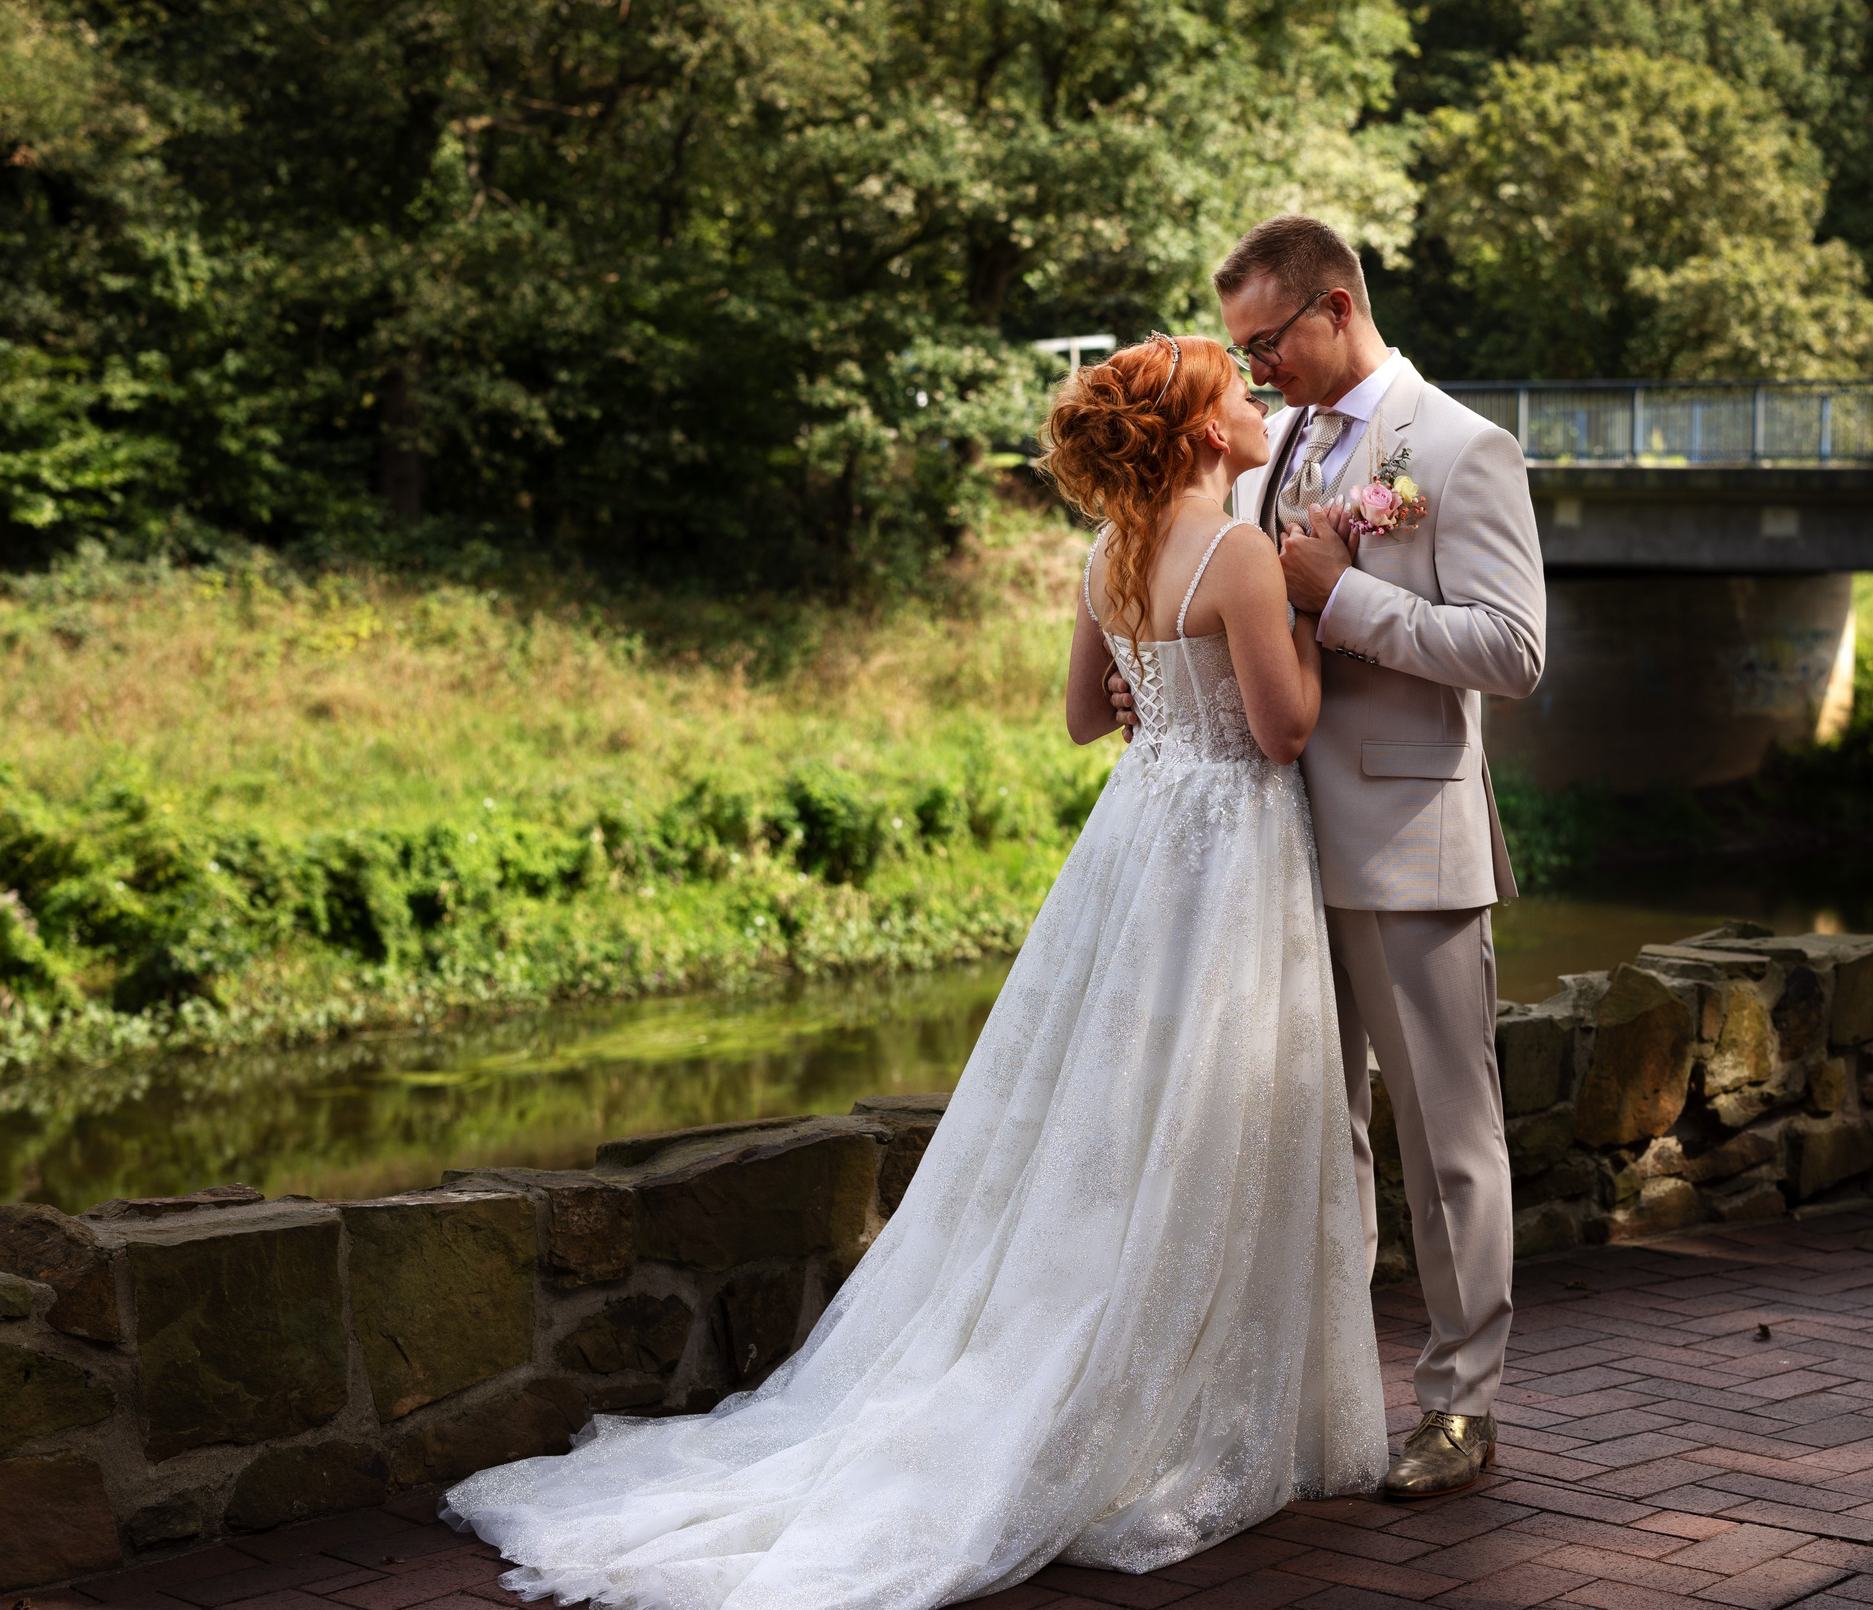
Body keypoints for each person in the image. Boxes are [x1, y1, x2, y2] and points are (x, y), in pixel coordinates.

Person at [442, 333, 1385, 1610]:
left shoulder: (1105, 555)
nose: (1257, 398)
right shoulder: (1240, 556)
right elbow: (1282, 732)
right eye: (1239, 389)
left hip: (1138, 841)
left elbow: (1079, 718)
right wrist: (1319, 612)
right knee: (1206, 1107)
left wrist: (1168, 691)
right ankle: (1161, 1389)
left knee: (1111, 1106)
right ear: (1207, 433)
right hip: (1225, 849)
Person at [1112, 216, 1546, 1498]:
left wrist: (1342, 598)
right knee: (1319, 1141)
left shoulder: (1460, 448)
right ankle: (1331, 1398)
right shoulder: (1269, 453)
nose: (1255, 377)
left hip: (1410, 844)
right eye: (1239, 353)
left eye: (1268, 343)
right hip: (1272, 850)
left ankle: (1461, 1409)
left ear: (1337, 304)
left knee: (1447, 1141)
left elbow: (1514, 653)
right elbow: (1240, 610)